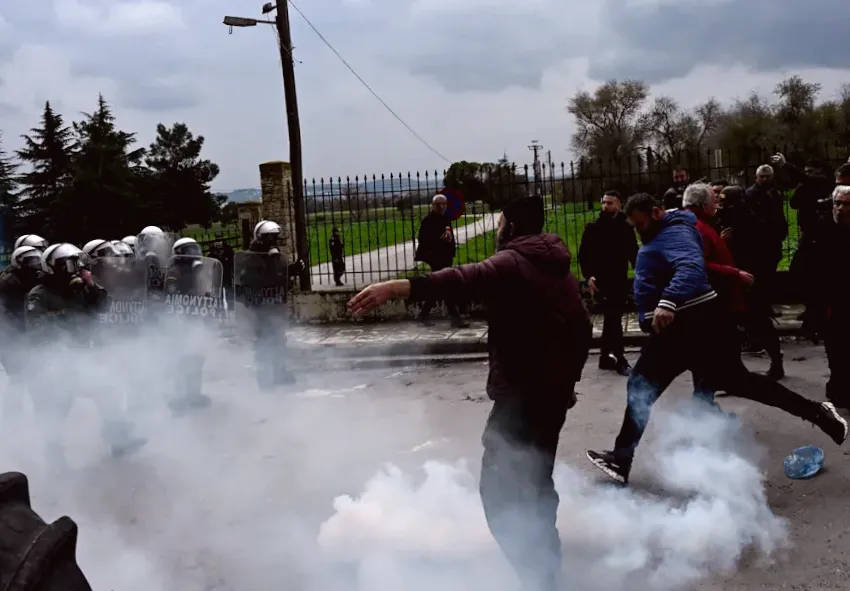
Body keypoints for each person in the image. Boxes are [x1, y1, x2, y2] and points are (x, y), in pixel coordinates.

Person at [349, 196, 592, 591]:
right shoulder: (557, 265)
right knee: (537, 483)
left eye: (500, 224)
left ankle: (539, 578)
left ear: (511, 227)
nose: (497, 231)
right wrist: (568, 383)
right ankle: (548, 567)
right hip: (550, 395)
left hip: (521, 398)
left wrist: (398, 287)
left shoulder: (512, 262)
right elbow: (581, 329)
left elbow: (462, 278)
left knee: (499, 494)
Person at [585, 194, 847, 485]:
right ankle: (821, 415)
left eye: (641, 224)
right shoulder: (670, 230)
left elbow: (690, 268)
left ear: (658, 212)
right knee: (733, 383)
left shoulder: (674, 233)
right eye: (635, 226)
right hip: (687, 326)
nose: (639, 231)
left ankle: (622, 458)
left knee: (645, 387)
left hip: (689, 324)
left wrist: (668, 301)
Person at [26, 243, 147, 464]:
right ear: (53, 268)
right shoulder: (39, 294)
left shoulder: (79, 286)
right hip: (56, 362)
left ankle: (118, 441)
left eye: (76, 264)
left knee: (106, 391)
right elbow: (35, 327)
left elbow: (103, 305)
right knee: (56, 411)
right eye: (69, 265)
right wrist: (65, 315)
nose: (74, 269)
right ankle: (55, 459)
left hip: (81, 356)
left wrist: (91, 284)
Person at [771, 153, 834, 337]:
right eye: (807, 172)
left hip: (822, 239)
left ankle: (817, 317)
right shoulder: (807, 187)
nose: (808, 175)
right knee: (799, 273)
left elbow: (807, 184)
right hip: (808, 236)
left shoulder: (824, 184)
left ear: (820, 172)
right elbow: (794, 202)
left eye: (812, 172)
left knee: (818, 279)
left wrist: (786, 166)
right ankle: (811, 311)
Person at [578, 189, 638, 376]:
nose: (605, 206)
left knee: (612, 318)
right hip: (601, 280)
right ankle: (619, 357)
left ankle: (606, 356)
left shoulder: (625, 227)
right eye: (603, 202)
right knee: (613, 318)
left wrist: (640, 274)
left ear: (619, 204)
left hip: (618, 279)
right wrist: (589, 276)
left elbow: (633, 253)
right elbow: (584, 255)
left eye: (610, 203)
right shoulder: (593, 228)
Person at [241, 220, 305, 386]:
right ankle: (264, 378)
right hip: (260, 307)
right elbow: (258, 279)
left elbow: (279, 275)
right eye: (270, 237)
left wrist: (293, 270)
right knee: (263, 341)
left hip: (275, 304)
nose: (273, 241)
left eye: (275, 237)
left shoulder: (273, 255)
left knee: (278, 339)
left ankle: (279, 372)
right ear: (260, 237)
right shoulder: (251, 257)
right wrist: (279, 276)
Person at [739, 164, 786, 377]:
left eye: (768, 176)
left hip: (763, 257)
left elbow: (778, 220)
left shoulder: (773, 194)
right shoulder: (750, 197)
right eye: (762, 176)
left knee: (757, 313)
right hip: (752, 262)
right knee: (754, 315)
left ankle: (773, 359)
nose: (765, 179)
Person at [816, 186, 850, 411]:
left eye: (846, 204)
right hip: (831, 302)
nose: (841, 209)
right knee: (836, 350)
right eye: (837, 203)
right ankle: (838, 390)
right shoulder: (822, 229)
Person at [0, 246, 43, 422]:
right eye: (29, 261)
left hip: (24, 335)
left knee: (30, 376)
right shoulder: (9, 282)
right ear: (18, 262)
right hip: (12, 336)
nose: (34, 264)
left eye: (36, 260)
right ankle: (13, 415)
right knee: (19, 377)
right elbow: (9, 315)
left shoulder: (27, 279)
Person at [413, 195, 467, 328]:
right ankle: (455, 317)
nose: (442, 206)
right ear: (433, 206)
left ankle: (424, 314)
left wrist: (450, 244)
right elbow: (423, 240)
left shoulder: (446, 219)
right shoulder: (428, 220)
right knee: (445, 283)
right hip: (434, 257)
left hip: (445, 256)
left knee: (439, 285)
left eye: (444, 204)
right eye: (438, 204)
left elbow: (449, 236)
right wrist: (440, 239)